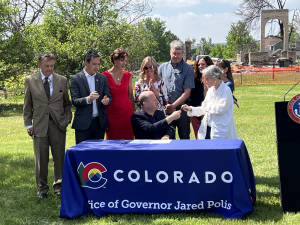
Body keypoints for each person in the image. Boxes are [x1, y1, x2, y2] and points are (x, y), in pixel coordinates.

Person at [23, 52, 72, 198]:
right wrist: (28, 124)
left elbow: (67, 104)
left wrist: (67, 119)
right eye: (46, 66)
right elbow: (27, 105)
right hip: (39, 125)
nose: (50, 69)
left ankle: (59, 187)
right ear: (39, 64)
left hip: (58, 125)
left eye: (52, 66)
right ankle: (42, 189)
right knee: (41, 159)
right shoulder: (30, 80)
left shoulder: (62, 80)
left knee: (59, 157)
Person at [182, 65, 238, 139]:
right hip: (207, 128)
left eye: (208, 78)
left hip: (220, 130)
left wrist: (208, 105)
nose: (206, 81)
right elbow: (204, 109)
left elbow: (221, 110)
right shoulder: (211, 90)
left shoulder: (226, 90)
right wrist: (191, 109)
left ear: (214, 77)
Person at [70, 50, 112, 144]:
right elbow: (75, 101)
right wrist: (88, 99)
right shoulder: (75, 79)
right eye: (94, 64)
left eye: (98, 64)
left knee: (97, 155)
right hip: (83, 124)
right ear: (86, 62)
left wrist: (107, 100)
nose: (96, 67)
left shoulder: (102, 78)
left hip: (99, 123)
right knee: (83, 154)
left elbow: (108, 96)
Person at [158, 40, 195, 139]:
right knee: (167, 136)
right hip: (165, 108)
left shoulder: (188, 69)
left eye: (179, 54)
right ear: (170, 52)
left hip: (182, 108)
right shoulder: (162, 68)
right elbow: (158, 88)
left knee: (184, 136)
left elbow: (187, 93)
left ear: (182, 53)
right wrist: (166, 106)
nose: (176, 56)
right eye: (174, 53)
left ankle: (185, 155)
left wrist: (173, 106)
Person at [102, 48, 135, 140]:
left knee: (129, 143)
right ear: (114, 60)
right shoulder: (104, 76)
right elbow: (102, 98)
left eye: (125, 61)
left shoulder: (128, 75)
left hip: (127, 115)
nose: (124, 63)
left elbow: (131, 97)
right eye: (122, 60)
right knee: (112, 144)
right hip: (111, 116)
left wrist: (134, 115)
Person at [188, 56, 214, 138]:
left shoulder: (213, 79)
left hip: (207, 112)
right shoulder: (194, 79)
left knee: (208, 137)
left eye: (203, 64)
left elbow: (219, 91)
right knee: (198, 137)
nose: (200, 66)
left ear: (208, 65)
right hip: (195, 112)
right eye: (199, 64)